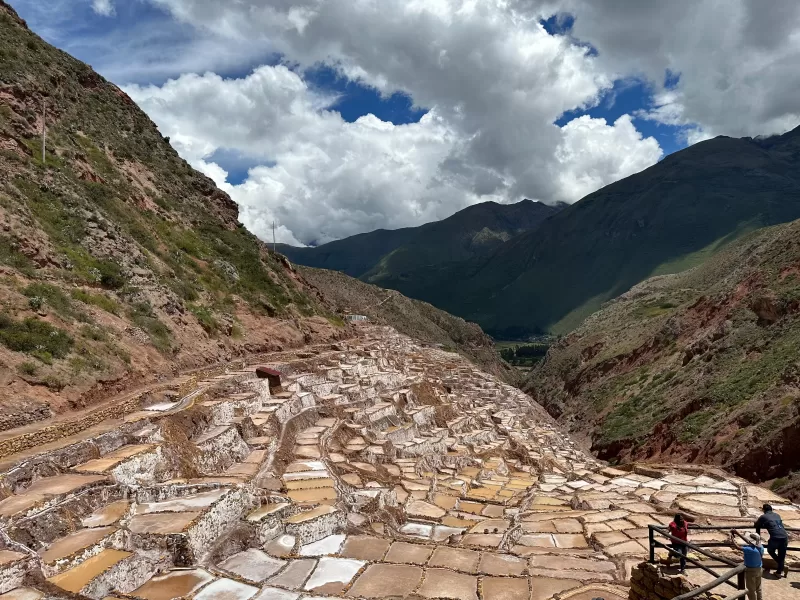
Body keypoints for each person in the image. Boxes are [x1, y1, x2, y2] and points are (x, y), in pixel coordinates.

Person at [755, 503, 789, 578]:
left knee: (770, 550)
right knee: (781, 555)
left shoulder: (763, 517)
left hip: (775, 537)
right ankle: (779, 571)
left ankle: (782, 566)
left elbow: (756, 525)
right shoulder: (777, 515)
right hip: (784, 536)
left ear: (763, 510)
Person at [731, 529, 764, 600]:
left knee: (751, 589)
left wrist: (732, 538)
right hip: (759, 569)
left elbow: (737, 547)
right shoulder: (761, 547)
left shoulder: (748, 549)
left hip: (751, 571)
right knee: (758, 587)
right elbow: (748, 541)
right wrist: (737, 533)